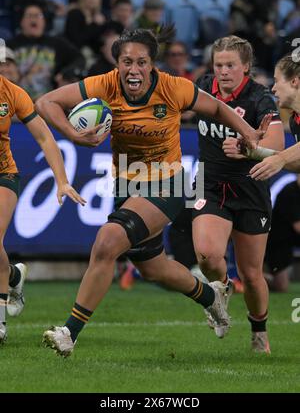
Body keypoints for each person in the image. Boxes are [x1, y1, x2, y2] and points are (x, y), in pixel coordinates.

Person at [35, 26, 266, 357]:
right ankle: (211, 297)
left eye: (142, 62)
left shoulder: (173, 88)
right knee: (153, 268)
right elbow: (46, 102)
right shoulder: (105, 84)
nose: (134, 69)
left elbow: (215, 107)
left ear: (152, 64)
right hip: (126, 184)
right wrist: (74, 134)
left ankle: (68, 333)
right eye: (126, 61)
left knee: (106, 243)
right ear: (117, 64)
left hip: (167, 181)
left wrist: (246, 132)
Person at [191, 35, 284, 353]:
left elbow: (278, 150)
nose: (224, 71)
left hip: (250, 188)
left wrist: (249, 150)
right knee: (207, 255)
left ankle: (259, 332)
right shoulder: (202, 87)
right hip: (210, 183)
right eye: (219, 65)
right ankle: (221, 290)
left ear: (246, 66)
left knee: (253, 274)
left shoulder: (260, 99)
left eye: (231, 65)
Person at [0, 71, 86, 344]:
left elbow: (45, 138)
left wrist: (61, 181)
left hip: (4, 175)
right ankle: (13, 275)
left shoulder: (12, 93)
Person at [250, 53, 300, 180]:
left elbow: (283, 159)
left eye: (277, 81)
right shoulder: (294, 121)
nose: (273, 88)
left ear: (294, 81)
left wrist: (281, 158)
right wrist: (255, 152)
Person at [264, 176, 300, 292]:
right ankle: (250, 277)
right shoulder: (290, 193)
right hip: (277, 242)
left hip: (289, 241)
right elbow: (298, 227)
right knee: (281, 286)